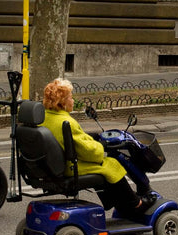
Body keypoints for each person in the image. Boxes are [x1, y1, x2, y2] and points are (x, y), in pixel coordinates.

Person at [40, 78, 155, 215]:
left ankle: (115, 202)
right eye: (70, 97)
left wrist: (91, 138)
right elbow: (88, 152)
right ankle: (136, 204)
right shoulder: (66, 121)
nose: (73, 101)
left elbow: (73, 140)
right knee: (111, 164)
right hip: (71, 167)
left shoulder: (45, 118)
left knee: (105, 167)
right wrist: (101, 145)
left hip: (54, 166)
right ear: (62, 102)